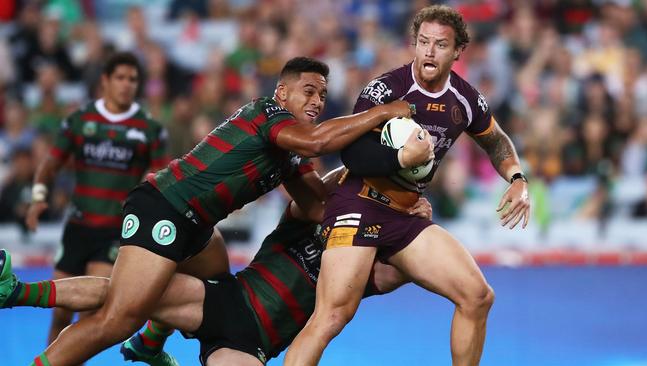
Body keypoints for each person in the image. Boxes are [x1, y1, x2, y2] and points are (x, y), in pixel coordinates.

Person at [23, 57, 429, 366]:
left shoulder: (292, 151)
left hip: (195, 225)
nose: (318, 100)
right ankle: (20, 293)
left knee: (213, 281)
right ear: (282, 93)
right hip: (164, 208)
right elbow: (318, 143)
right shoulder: (268, 114)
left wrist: (385, 186)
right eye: (309, 90)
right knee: (119, 317)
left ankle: (151, 341)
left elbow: (317, 204)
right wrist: (379, 113)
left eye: (323, 94)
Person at [285, 6, 531, 366]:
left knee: (477, 296)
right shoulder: (385, 89)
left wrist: (517, 178)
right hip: (358, 203)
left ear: (458, 50)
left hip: (405, 215)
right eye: (423, 42)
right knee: (331, 317)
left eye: (440, 45)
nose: (429, 51)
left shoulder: (465, 98)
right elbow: (353, 154)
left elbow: (496, 141)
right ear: (414, 44)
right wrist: (403, 160)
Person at [0, 169, 433, 366]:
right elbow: (342, 182)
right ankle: (16, 292)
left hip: (250, 347)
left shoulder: (367, 267)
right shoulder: (308, 215)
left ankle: (148, 342)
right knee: (125, 294)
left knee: (131, 297)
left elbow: (403, 266)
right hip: (226, 299)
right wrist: (378, 175)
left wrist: (411, 218)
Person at [24, 51, 169, 346]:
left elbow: (161, 177)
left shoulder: (149, 129)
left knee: (89, 309)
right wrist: (39, 197)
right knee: (61, 313)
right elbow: (51, 163)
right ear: (105, 80)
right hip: (78, 226)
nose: (127, 84)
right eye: (120, 78)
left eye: (133, 79)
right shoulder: (80, 120)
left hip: (116, 231)